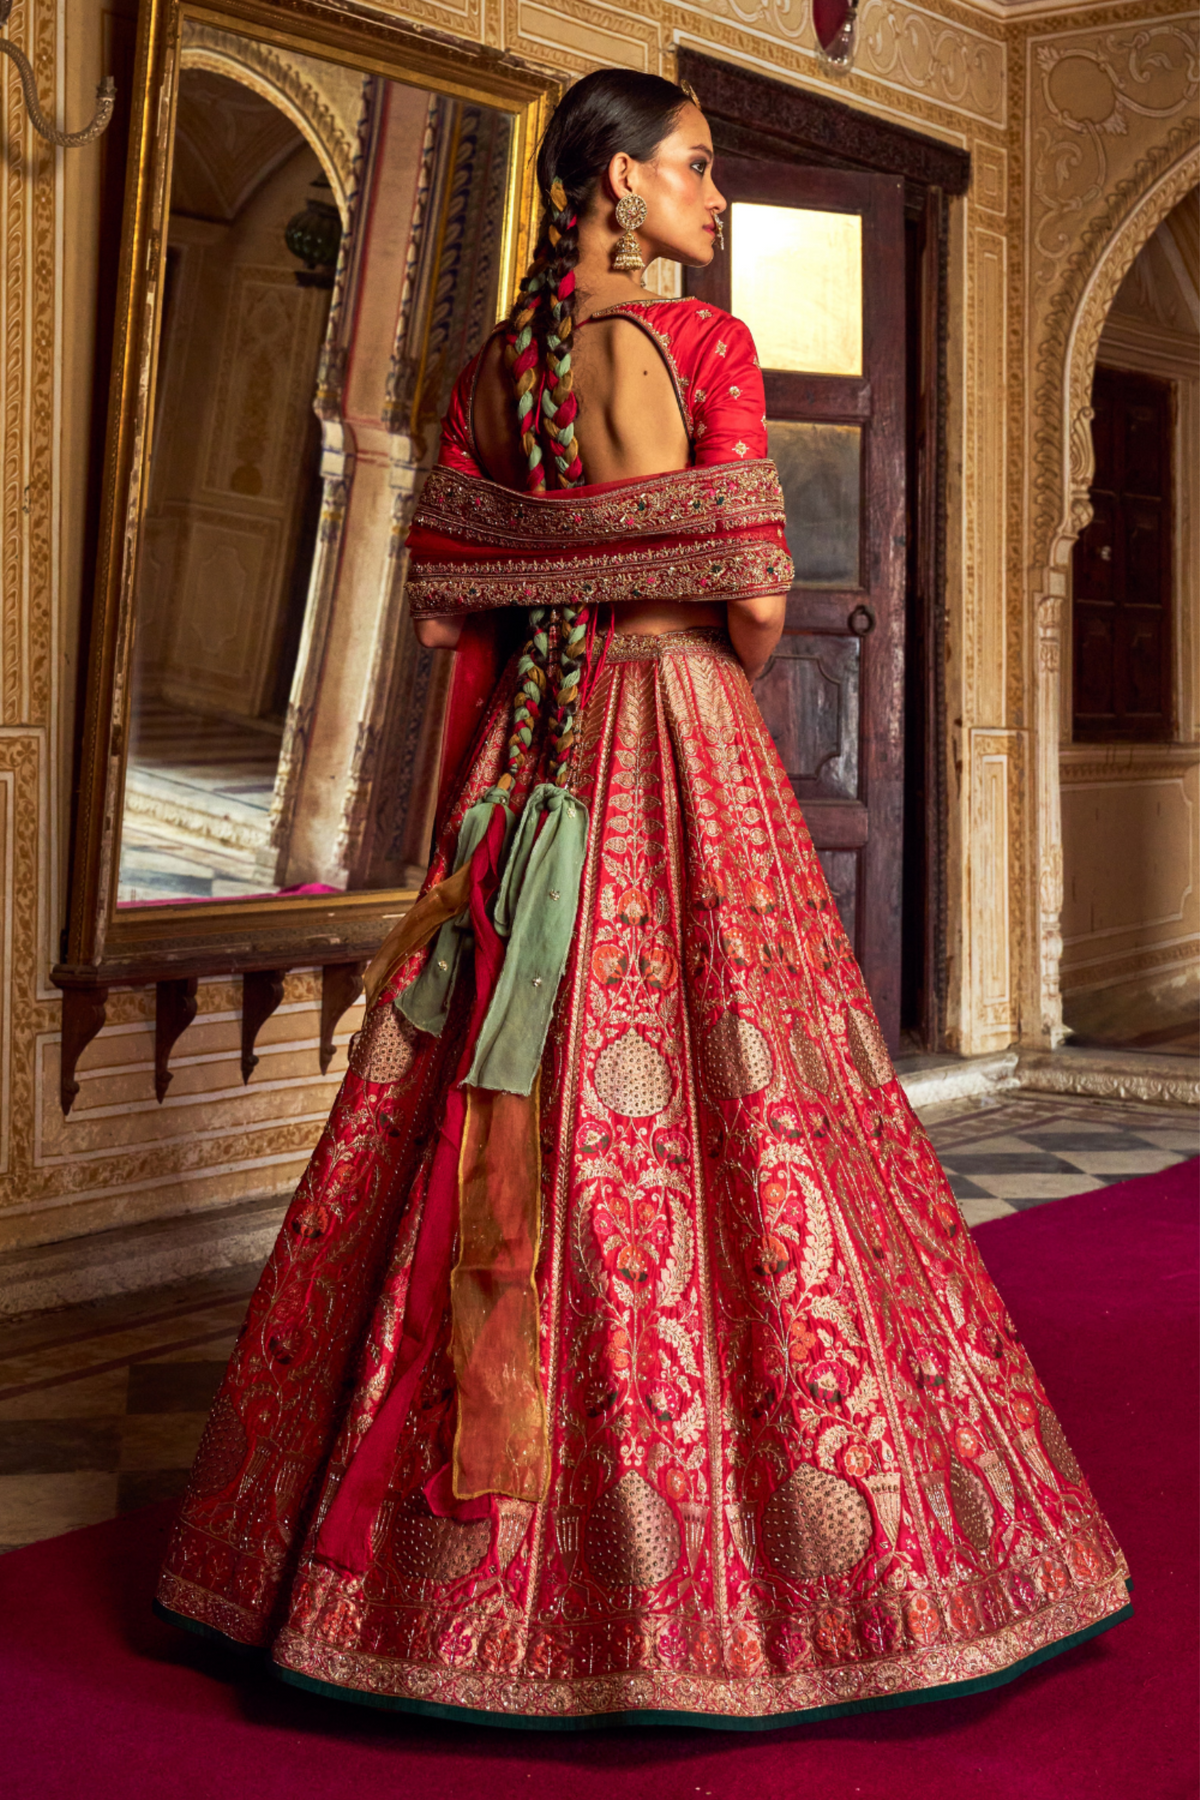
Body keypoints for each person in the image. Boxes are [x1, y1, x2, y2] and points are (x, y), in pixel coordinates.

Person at [157, 69, 1130, 1728]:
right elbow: (753, 590)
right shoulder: (699, 352)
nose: (716, 195)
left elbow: (454, 617)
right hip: (676, 735)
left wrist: (566, 591)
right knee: (745, 1113)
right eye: (691, 166)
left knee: (504, 1092)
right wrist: (673, 609)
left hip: (530, 775)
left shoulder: (484, 372)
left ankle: (377, 1571)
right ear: (611, 180)